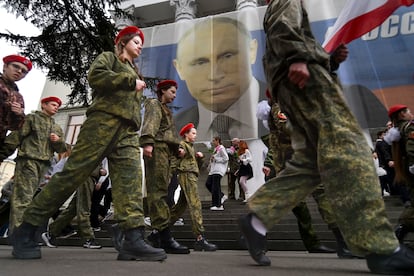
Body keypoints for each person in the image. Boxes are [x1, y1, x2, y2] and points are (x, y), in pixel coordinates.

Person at [238, 1, 414, 274]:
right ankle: (380, 247)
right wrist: (297, 56)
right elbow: (285, 25)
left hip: (296, 80)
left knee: (310, 164)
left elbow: (285, 31)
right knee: (349, 151)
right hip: (306, 81)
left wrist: (328, 60)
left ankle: (259, 217)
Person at [9, 25, 167, 261]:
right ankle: (28, 228)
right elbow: (95, 77)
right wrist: (127, 81)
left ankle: (133, 238)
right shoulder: (110, 59)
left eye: (141, 43)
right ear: (123, 42)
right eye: (136, 41)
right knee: (71, 175)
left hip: (126, 132)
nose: (140, 46)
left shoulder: (134, 71)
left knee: (131, 181)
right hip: (102, 123)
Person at [173, 16, 267, 143]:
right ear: (179, 69)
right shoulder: (173, 128)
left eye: (227, 56)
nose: (214, 75)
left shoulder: (285, 104)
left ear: (252, 51)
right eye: (200, 62)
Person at [0, 96, 67, 235]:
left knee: (24, 198)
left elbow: (62, 149)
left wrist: (57, 141)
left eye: (58, 106)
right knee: (24, 198)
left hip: (45, 165)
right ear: (44, 105)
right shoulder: (31, 119)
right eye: (53, 104)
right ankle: (18, 235)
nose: (56, 107)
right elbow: (16, 136)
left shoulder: (56, 127)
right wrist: (2, 154)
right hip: (28, 161)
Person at [140, 79, 189, 254]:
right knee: (158, 191)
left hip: (166, 151)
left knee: (163, 191)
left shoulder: (166, 110)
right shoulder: (154, 104)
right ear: (163, 91)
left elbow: (169, 133)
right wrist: (147, 143)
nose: (174, 95)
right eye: (172, 92)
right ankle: (164, 237)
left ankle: (158, 234)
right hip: (157, 149)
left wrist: (177, 148)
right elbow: (151, 124)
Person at [169, 123, 217, 251]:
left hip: (191, 176)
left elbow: (196, 166)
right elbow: (177, 157)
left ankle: (158, 231)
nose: (195, 136)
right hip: (186, 175)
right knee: (195, 205)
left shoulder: (191, 147)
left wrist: (199, 158)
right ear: (186, 134)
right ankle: (200, 238)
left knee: (178, 209)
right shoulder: (183, 145)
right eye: (193, 133)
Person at [41, 164, 106, 249]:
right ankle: (88, 238)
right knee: (84, 207)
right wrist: (99, 171)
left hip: (87, 177)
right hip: (86, 176)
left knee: (72, 209)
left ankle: (51, 233)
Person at [385, 105, 414, 244]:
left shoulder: (397, 131)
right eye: (408, 111)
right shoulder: (409, 127)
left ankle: (401, 229)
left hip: (408, 172)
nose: (411, 113)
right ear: (402, 114)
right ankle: (402, 228)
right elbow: (412, 149)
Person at [0, 54, 30, 147]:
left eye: (24, 71)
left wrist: (18, 114)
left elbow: (15, 127)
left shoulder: (18, 97)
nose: (19, 71)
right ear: (5, 66)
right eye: (16, 66)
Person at [205, 136, 229, 211]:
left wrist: (216, 159)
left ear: (218, 141)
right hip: (213, 170)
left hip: (218, 170)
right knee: (208, 184)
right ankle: (221, 196)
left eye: (214, 140)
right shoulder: (216, 149)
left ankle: (217, 205)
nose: (213, 142)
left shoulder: (221, 148)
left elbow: (226, 158)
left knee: (216, 186)